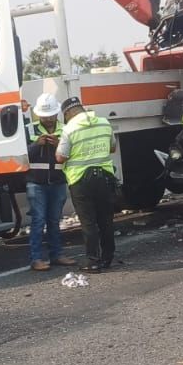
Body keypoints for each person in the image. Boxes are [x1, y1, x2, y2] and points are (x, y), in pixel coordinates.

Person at [56, 96, 117, 273]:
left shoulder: (70, 128)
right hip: (105, 177)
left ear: (67, 113)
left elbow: (60, 157)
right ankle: (107, 258)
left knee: (88, 222)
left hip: (81, 180)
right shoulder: (104, 123)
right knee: (106, 219)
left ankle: (93, 261)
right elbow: (112, 148)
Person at [26, 93, 76, 271]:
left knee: (54, 221)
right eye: (44, 116)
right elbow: (21, 158)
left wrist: (57, 145)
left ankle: (57, 255)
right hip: (36, 183)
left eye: (50, 116)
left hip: (58, 181)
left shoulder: (66, 129)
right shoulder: (30, 130)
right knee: (38, 221)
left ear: (57, 114)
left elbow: (73, 153)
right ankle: (36, 259)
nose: (47, 120)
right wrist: (36, 145)